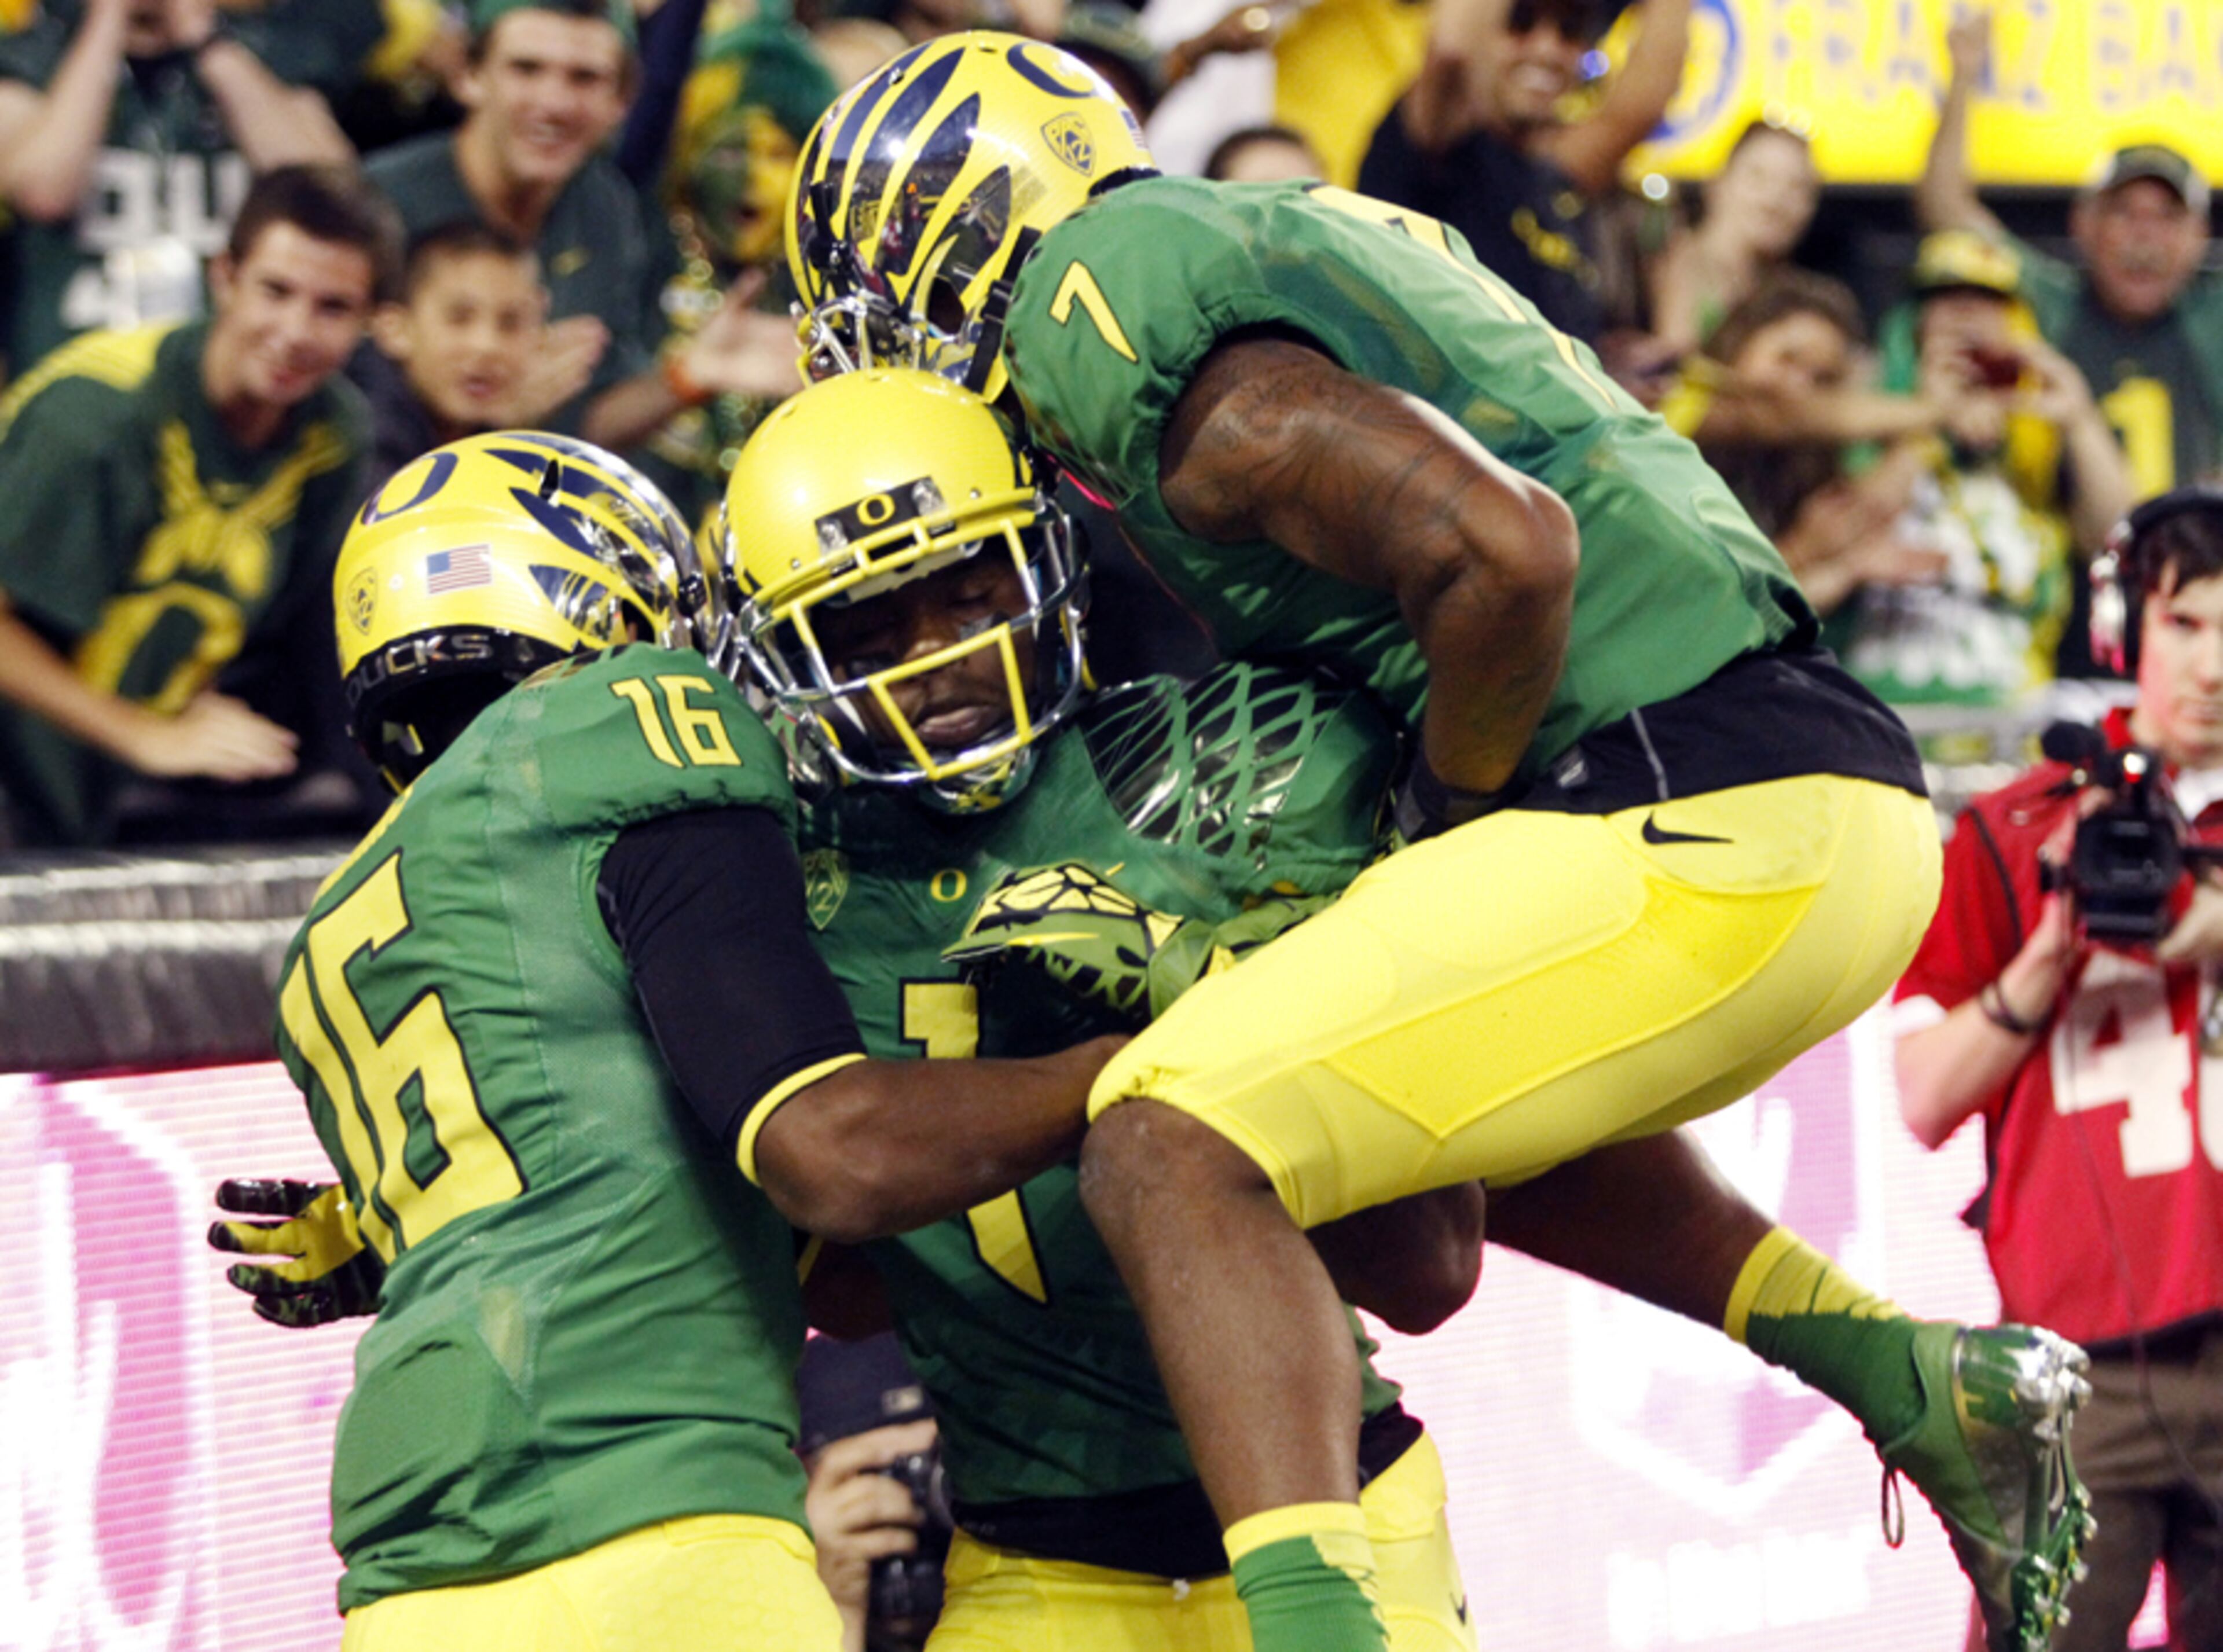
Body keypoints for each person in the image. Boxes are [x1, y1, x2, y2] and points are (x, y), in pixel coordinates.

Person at [788, 35, 2092, 1652]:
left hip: (1674, 800)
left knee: (1165, 1137)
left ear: (951, 225)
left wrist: (1449, 809)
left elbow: (1502, 547)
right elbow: (1430, 1249)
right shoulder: (1303, 230)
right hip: (1812, 793)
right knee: (1379, 1093)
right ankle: (1912, 1374)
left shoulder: (1100, 291)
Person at [225, 427, 1117, 1647]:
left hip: (407, 1552)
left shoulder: (335, 915)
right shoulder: (629, 720)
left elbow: (584, 1147)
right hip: (650, 1508)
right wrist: (1156, 1060)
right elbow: (829, 1150)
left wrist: (388, 1242)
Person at [720, 366, 1481, 1651]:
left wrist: (1196, 978)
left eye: (967, 588)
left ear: (1046, 572)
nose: (939, 652)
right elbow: (839, 1289)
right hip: (1032, 1561)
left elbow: (1428, 1261)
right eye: (869, 623)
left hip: (1336, 1505)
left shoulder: (1241, 767)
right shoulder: (775, 888)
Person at [1894, 487, 2223, 1652]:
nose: (2214, 665)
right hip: (2080, 1365)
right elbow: (1925, 1094)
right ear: (2124, 623)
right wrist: (2046, 961)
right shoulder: (2020, 826)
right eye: (2188, 624)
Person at [0, 163, 390, 847]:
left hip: (113, 794)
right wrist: (146, 735)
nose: (296, 330)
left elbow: (272, 629)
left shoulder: (336, 436)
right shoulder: (95, 415)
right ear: (225, 277)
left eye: (333, 307)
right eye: (276, 291)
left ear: (371, 321)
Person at [364, 0, 798, 454]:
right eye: (526, 69)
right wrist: (492, 427)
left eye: (585, 78)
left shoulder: (604, 207)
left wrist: (687, 377)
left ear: (622, 101)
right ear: (468, 76)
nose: (554, 104)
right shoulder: (380, 207)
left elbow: (585, 430)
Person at [1917, 9, 2223, 504]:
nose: (2145, 237)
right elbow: (1946, 208)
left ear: (2199, 237)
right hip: (2070, 569)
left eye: (2168, 216)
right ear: (2083, 225)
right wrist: (1964, 73)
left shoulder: (2213, 316)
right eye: (2124, 212)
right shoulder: (2052, 299)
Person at [1835, 231, 2133, 708]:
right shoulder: (1870, 425)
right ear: (1914, 324)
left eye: (1990, 299)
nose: (1966, 314)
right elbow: (1835, 540)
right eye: (1944, 298)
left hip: (2009, 731)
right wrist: (1931, 423)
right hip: (1884, 722)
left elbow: (2120, 543)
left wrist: (2078, 417)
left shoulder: (2040, 447)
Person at [0, 0, 356, 377]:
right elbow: (44, 192)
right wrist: (106, 25)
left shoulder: (267, 53)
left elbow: (330, 196)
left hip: (224, 376)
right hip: (73, 368)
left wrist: (208, 43)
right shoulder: (30, 57)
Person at [1354, 0, 1688, 341]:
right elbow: (1453, 50)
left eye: (1569, 32)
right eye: (1519, 23)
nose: (1547, 51)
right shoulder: (1437, 146)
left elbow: (1644, 101)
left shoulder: (1555, 172)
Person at [358, 221, 548, 491]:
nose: (487, 346)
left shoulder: (501, 440)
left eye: (511, 322)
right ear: (394, 329)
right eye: (459, 318)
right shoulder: (360, 439)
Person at [1646, 115, 1821, 354]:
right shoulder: (1669, 264)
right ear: (1717, 184)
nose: (1774, 201)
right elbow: (1673, 362)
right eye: (1758, 177)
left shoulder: (1790, 295)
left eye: (1796, 187)